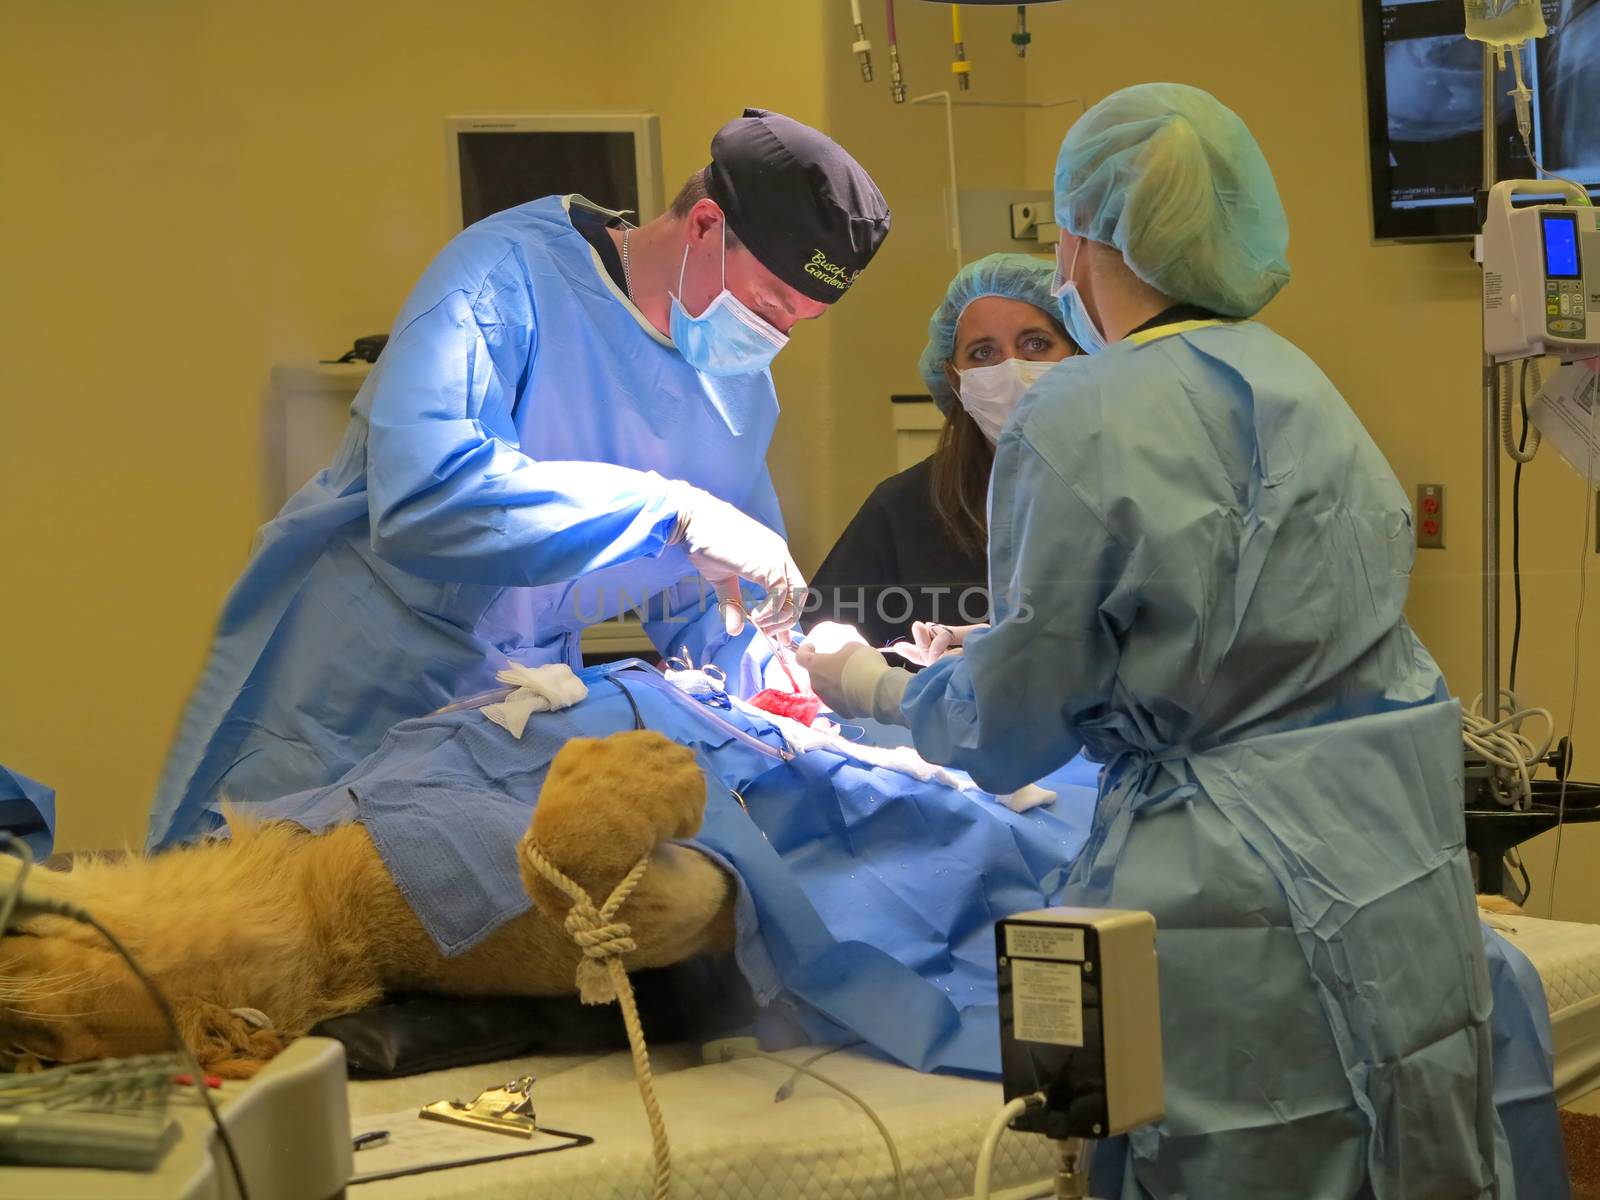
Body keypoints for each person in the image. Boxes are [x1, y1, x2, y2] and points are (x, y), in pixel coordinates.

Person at [799, 84, 1525, 1195]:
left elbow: (1009, 722)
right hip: (1389, 857)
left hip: (1225, 896)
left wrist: (865, 682)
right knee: (1396, 1145)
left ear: (1081, 237)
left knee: (1231, 1158)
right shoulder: (1298, 382)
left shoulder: (1082, 412)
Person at [148, 109, 890, 852]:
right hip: (348, 701)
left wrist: (782, 693)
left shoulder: (736, 384)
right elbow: (425, 498)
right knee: (261, 927)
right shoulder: (506, 279)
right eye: (767, 306)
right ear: (702, 226)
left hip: (508, 727)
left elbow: (707, 590)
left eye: (798, 321)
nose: (774, 337)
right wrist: (664, 509)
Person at [807, 254, 1074, 648]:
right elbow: (820, 644)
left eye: (1036, 343)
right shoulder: (904, 510)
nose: (1012, 370)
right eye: (983, 353)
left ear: (1079, 353)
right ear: (954, 378)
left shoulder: (1123, 486)